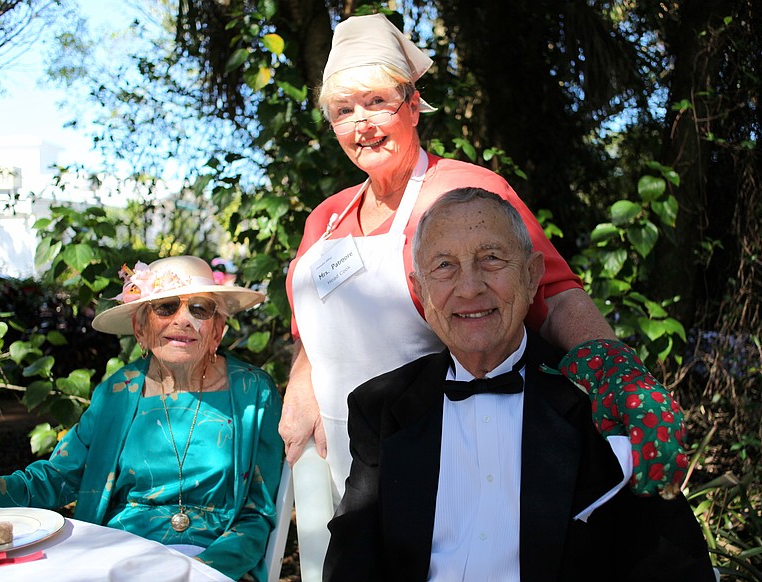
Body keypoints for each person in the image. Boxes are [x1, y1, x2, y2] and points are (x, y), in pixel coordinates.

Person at [282, 11, 686, 506]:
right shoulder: (325, 217)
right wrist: (301, 378)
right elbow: (311, 325)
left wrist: (616, 373)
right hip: (337, 461)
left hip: (445, 451)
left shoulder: (469, 194)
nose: (361, 124)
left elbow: (552, 297)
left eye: (377, 103)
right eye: (343, 111)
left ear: (412, 106)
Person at [323, 188, 714, 582]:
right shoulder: (381, 409)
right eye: (444, 266)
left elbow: (674, 565)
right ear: (421, 292)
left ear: (531, 276)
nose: (469, 287)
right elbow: (351, 561)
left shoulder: (601, 406)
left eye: (490, 259)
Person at [0, 256, 283, 581]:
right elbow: (57, 476)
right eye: (165, 307)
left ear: (217, 331)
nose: (183, 320)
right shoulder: (118, 391)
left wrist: (205, 571)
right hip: (119, 554)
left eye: (199, 309)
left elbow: (257, 511)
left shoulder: (253, 392)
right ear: (140, 327)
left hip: (213, 559)